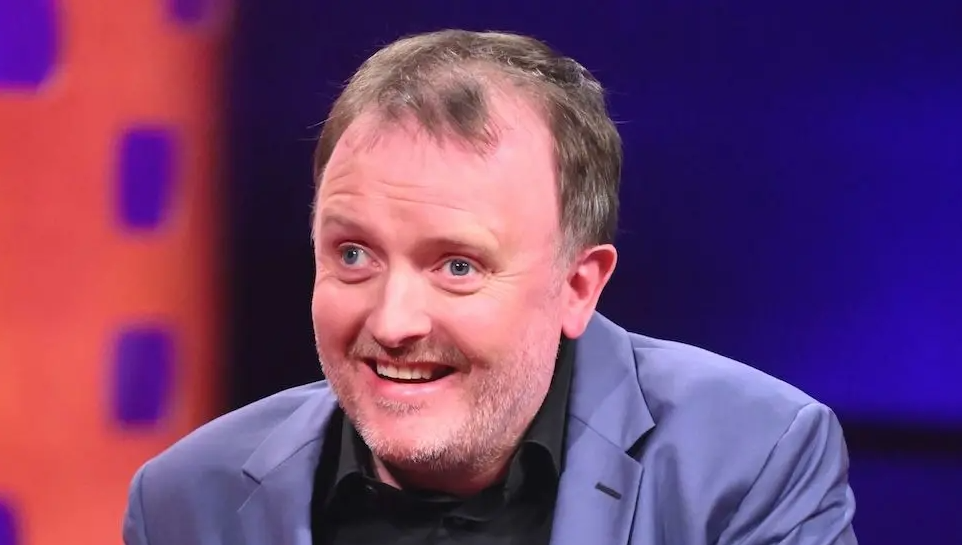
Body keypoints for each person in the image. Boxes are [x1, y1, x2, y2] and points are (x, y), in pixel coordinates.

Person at [122, 29, 858, 545]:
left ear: (578, 286)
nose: (394, 319)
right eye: (353, 254)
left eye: (458, 266)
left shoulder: (749, 460)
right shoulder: (187, 499)